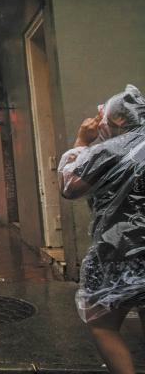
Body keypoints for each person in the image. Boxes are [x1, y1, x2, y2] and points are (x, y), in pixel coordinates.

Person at [58, 84, 145, 374]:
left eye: (104, 118)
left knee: (102, 323)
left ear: (118, 121)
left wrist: (82, 140)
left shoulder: (110, 151)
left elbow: (70, 186)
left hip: (117, 254)